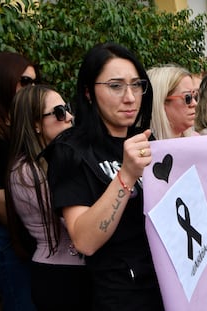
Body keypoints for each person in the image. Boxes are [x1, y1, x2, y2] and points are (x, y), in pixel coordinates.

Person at [44, 42, 164, 310]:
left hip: (167, 286)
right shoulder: (71, 150)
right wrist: (126, 175)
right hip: (120, 295)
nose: (130, 97)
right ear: (88, 92)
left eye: (136, 85)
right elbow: (84, 241)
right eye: (115, 86)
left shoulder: (147, 141)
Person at [5, 85, 92, 310]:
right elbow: (78, 226)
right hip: (60, 277)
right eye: (59, 112)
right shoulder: (26, 171)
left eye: (68, 109)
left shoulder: (49, 162)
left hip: (66, 271)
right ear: (35, 123)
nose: (70, 117)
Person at [0, 51, 37, 311]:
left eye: (35, 82)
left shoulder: (23, 130)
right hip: (10, 243)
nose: (31, 89)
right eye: (25, 81)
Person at [148, 64, 198, 139]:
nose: (194, 103)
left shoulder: (197, 140)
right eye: (187, 97)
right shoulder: (141, 147)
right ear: (161, 101)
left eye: (194, 96)